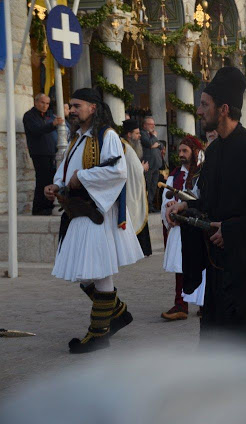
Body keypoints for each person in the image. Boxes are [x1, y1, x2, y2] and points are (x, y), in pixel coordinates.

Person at [166, 67, 246, 347]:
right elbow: (211, 202)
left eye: (205, 104)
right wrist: (186, 208)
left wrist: (231, 229)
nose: (199, 110)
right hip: (219, 270)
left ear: (224, 108)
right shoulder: (214, 152)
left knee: (245, 348)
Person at [44, 88, 144, 354]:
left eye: (77, 105)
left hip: (95, 212)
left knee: (97, 272)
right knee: (85, 273)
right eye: (71, 106)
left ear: (93, 107)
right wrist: (56, 185)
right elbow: (65, 169)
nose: (72, 110)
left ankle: (98, 334)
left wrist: (83, 178)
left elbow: (117, 171)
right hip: (79, 211)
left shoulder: (107, 136)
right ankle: (118, 313)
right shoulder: (78, 138)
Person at [161, 136, 204, 321]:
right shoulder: (175, 174)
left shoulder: (203, 173)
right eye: (179, 151)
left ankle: (205, 303)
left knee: (203, 266)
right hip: (179, 227)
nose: (181, 155)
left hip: (198, 226)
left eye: (185, 151)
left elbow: (202, 197)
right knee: (181, 266)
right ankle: (181, 304)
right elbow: (165, 196)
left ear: (194, 152)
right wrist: (168, 206)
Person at [23, 93, 64, 215]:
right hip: (39, 153)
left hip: (51, 152)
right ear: (35, 102)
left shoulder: (48, 116)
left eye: (47, 103)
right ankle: (39, 209)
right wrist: (53, 125)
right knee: (42, 180)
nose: (45, 106)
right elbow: (37, 130)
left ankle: (48, 206)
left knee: (51, 179)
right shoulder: (29, 116)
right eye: (42, 102)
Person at [121, 119, 152, 256]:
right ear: (129, 134)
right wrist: (142, 168)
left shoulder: (127, 146)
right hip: (130, 192)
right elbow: (133, 168)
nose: (139, 136)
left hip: (134, 190)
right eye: (137, 133)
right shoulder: (124, 147)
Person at [141, 117, 162, 212]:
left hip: (156, 164)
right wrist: (154, 139)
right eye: (150, 124)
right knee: (147, 185)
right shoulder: (142, 133)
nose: (153, 126)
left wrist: (155, 143)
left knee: (153, 186)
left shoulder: (153, 134)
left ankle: (151, 204)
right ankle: (146, 206)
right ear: (145, 125)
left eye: (154, 124)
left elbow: (161, 145)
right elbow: (148, 143)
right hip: (148, 164)